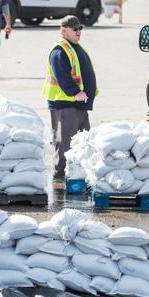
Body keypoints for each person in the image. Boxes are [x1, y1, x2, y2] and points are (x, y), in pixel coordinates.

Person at [43, 15, 98, 179]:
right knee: (65, 143)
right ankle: (60, 176)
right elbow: (62, 76)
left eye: (80, 28)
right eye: (75, 29)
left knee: (83, 141)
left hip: (79, 104)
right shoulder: (60, 50)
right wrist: (75, 93)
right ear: (64, 30)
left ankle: (77, 174)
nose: (79, 31)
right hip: (65, 104)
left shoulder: (74, 47)